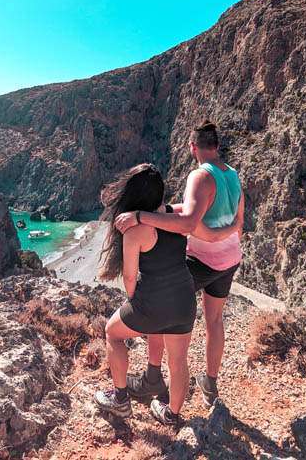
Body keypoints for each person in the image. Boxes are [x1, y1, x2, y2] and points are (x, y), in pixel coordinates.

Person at [93, 163, 239, 427]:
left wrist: (136, 301)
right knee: (178, 362)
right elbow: (199, 222)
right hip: (184, 299)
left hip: (151, 302)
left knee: (112, 334)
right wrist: (234, 224)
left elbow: (128, 277)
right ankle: (171, 414)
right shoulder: (178, 216)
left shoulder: (134, 230)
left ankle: (120, 399)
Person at [115, 119, 244, 408]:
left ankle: (153, 377)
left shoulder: (200, 176)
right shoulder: (233, 175)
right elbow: (239, 223)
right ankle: (210, 383)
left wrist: (139, 216)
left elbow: (187, 222)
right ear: (218, 145)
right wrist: (222, 235)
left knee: (164, 309)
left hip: (199, 261)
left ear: (192, 146)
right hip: (229, 259)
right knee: (214, 321)